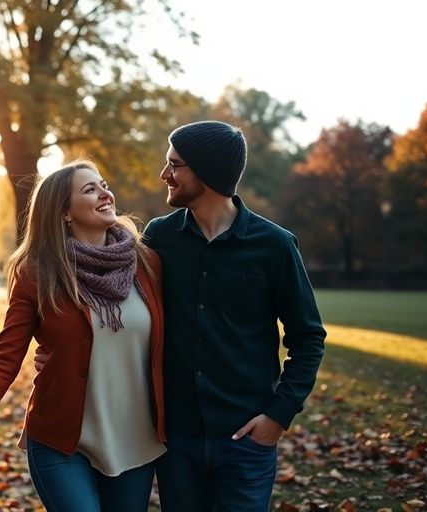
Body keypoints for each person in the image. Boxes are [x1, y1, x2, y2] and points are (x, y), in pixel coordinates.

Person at [0, 161, 168, 510]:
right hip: (61, 442)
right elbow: (5, 354)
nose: (105, 193)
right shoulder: (37, 272)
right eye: (90, 190)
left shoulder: (146, 263)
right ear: (65, 212)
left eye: (103, 184)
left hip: (135, 442)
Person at [143, 120, 326, 511]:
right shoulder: (159, 239)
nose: (165, 174)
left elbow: (307, 337)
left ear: (206, 172)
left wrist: (278, 415)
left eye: (174, 165)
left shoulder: (274, 246)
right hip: (176, 442)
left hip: (246, 442)